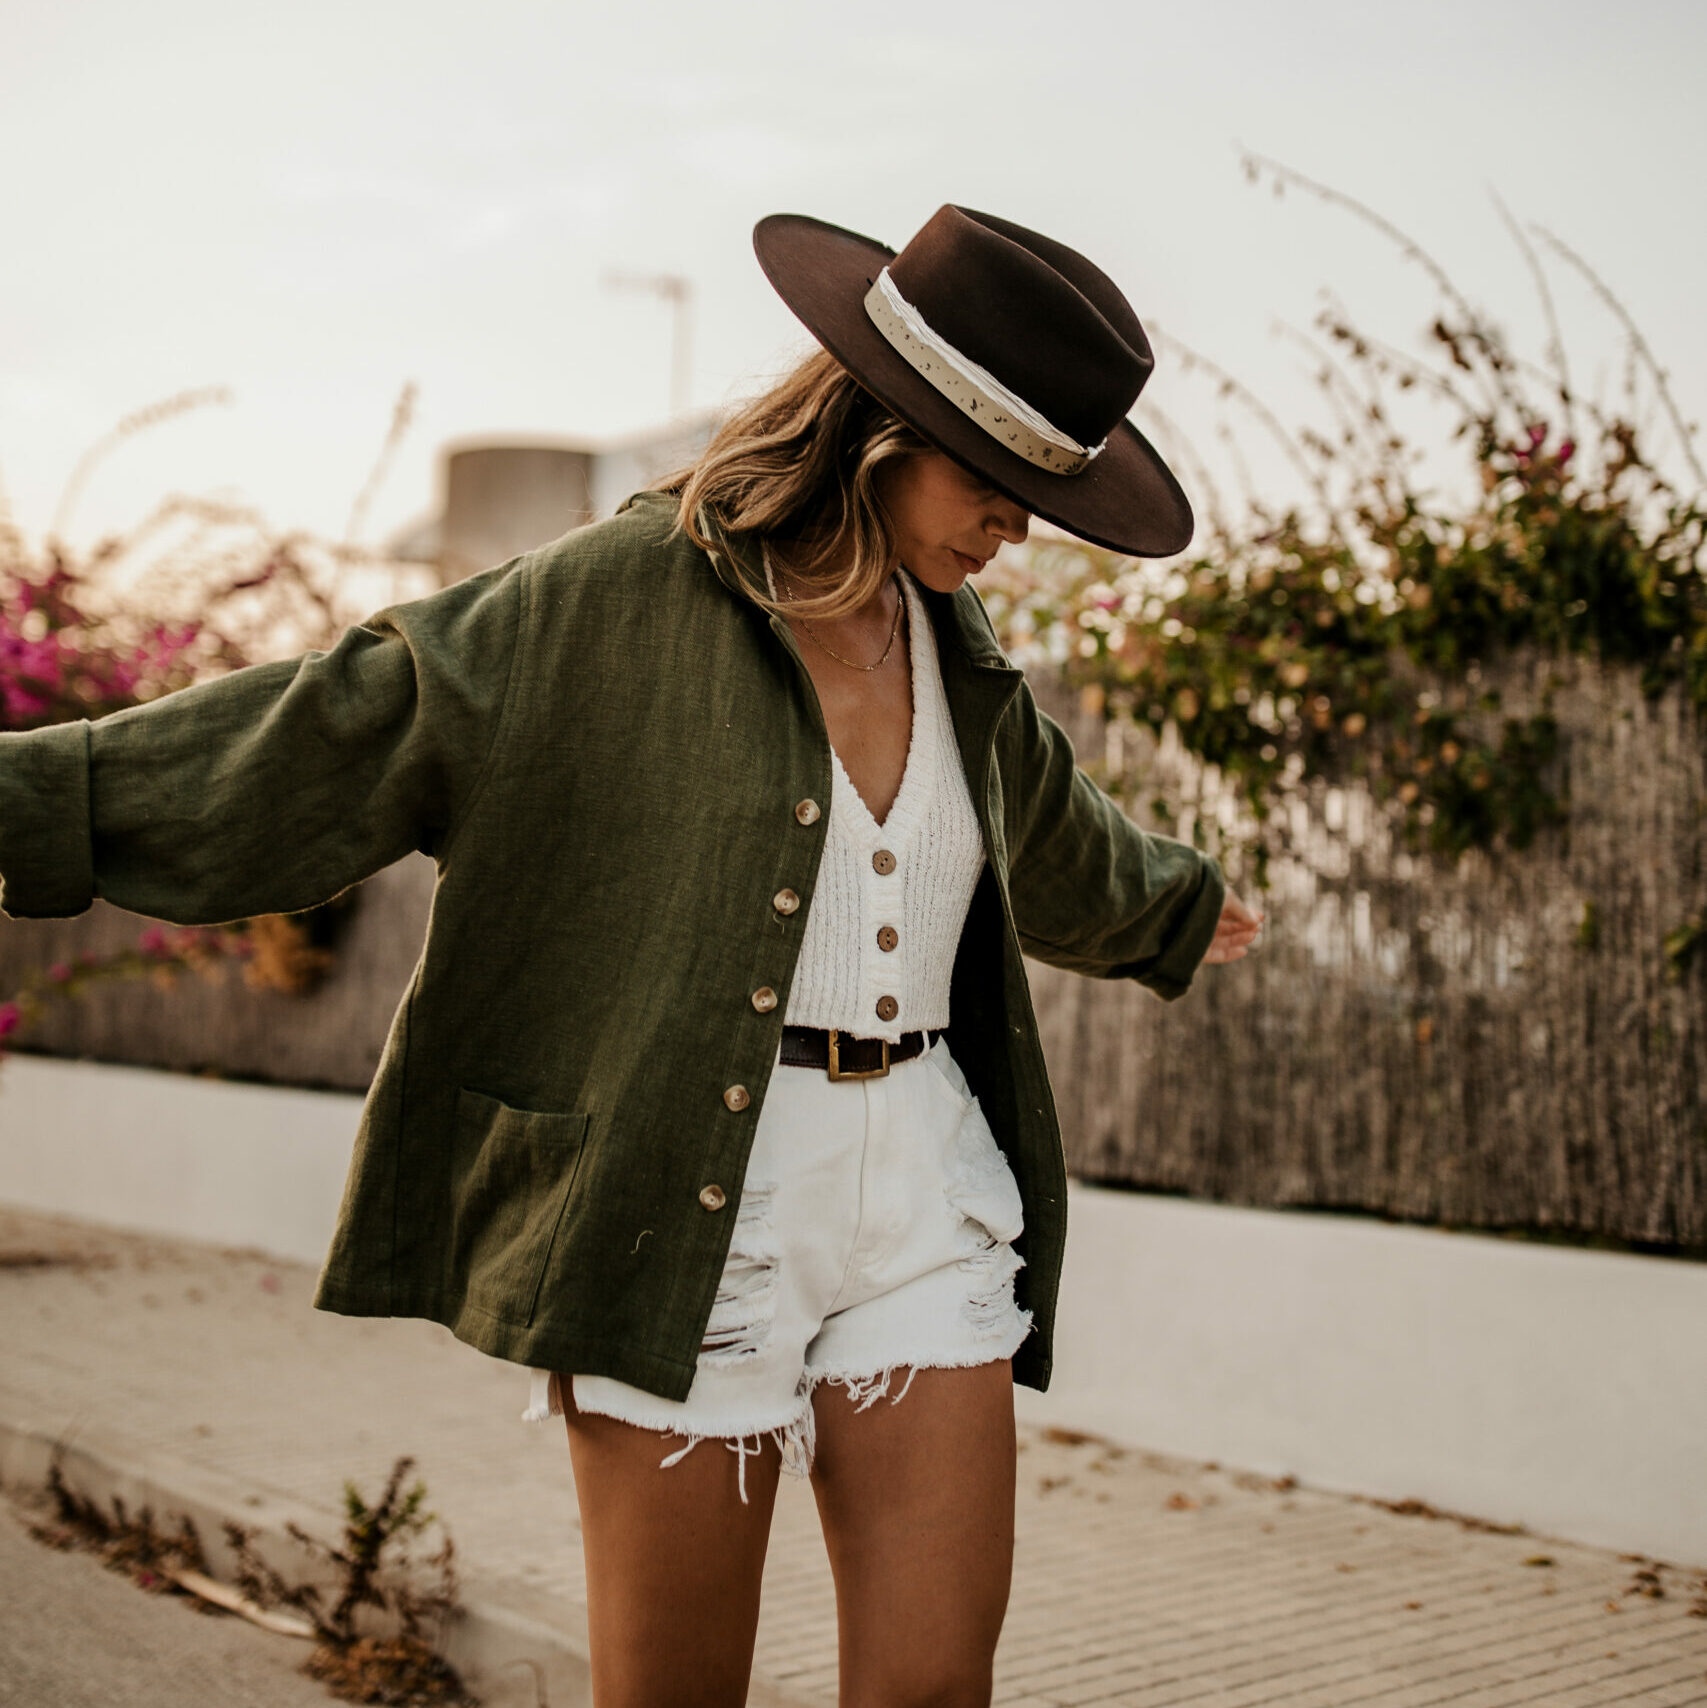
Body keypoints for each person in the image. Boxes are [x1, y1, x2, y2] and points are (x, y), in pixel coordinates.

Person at [0, 203, 1262, 1706]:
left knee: (934, 1690)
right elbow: (339, 723)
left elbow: (1055, 843)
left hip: (928, 1194)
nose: (1020, 530)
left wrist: (1182, 906)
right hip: (688, 1202)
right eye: (1002, 484)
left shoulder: (965, 662)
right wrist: (36, 803)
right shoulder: (611, 599)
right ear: (888, 429)